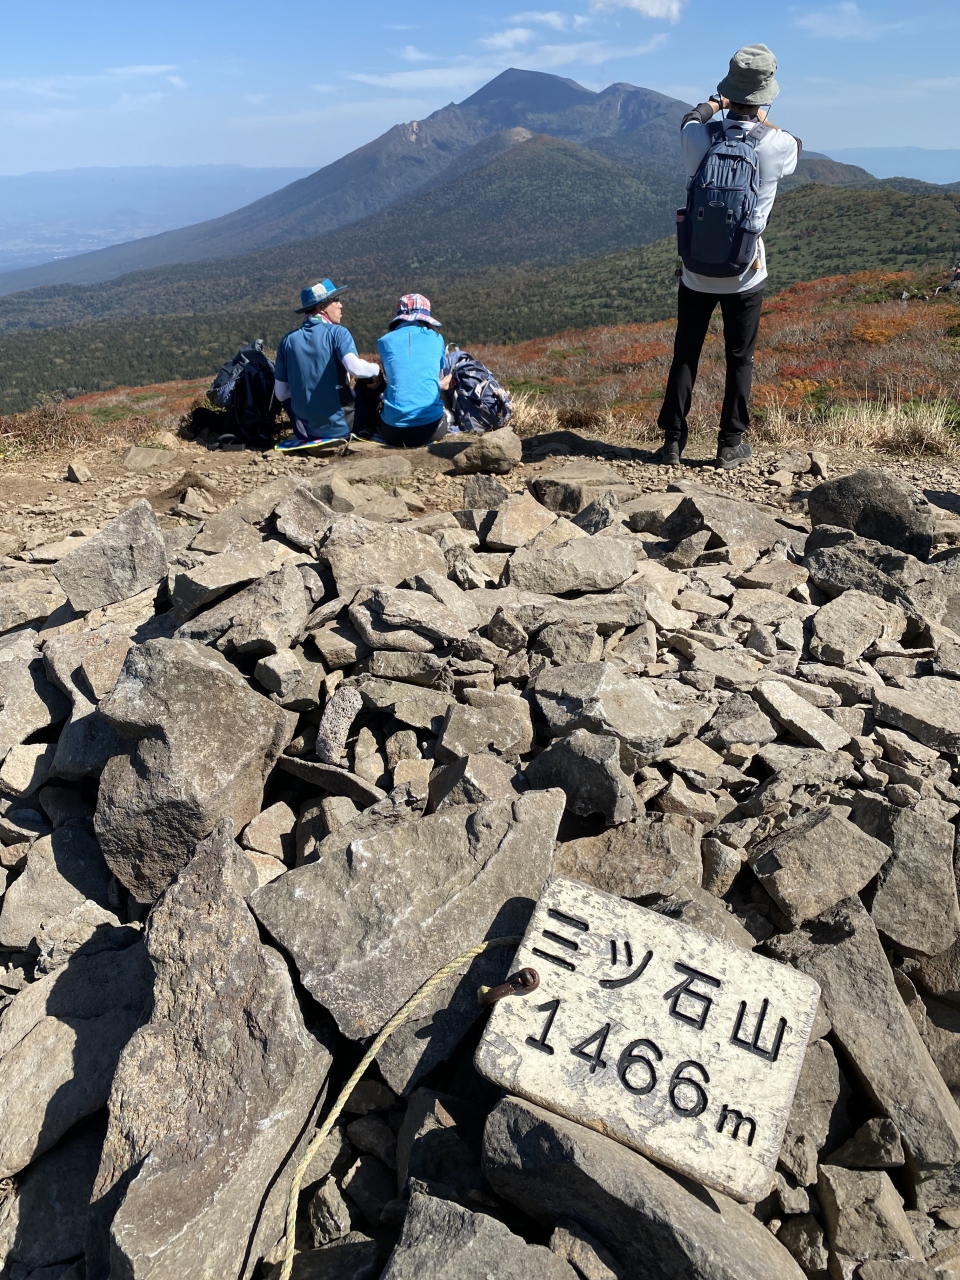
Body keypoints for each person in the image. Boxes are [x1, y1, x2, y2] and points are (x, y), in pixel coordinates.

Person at [656, 44, 800, 470]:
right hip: (746, 273)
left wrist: (713, 105)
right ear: (764, 97)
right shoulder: (777, 144)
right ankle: (729, 443)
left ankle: (672, 442)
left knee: (686, 353)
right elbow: (796, 144)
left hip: (696, 271)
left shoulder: (699, 137)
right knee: (740, 357)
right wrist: (762, 119)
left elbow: (689, 119)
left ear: (728, 91)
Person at [273, 279, 380, 453]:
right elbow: (356, 369)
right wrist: (376, 370)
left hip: (305, 433)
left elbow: (281, 394)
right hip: (341, 429)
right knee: (368, 383)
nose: (340, 305)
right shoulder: (338, 333)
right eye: (335, 300)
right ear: (322, 307)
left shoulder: (287, 341)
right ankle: (370, 429)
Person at [374, 294, 452, 447]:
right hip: (432, 429)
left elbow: (392, 375)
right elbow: (438, 373)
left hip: (393, 433)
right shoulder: (437, 338)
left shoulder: (384, 341)